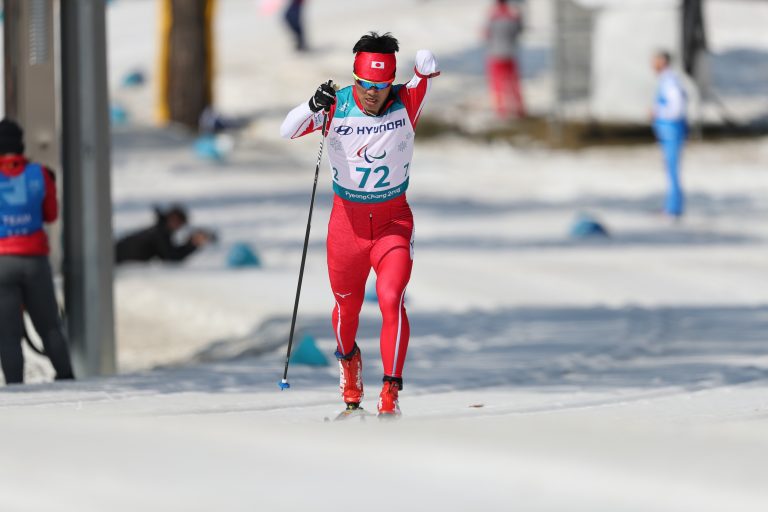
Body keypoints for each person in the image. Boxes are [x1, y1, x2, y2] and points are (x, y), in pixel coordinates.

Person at [280, 32, 440, 417]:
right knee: (346, 310)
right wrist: (312, 104)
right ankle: (349, 363)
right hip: (346, 227)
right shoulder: (336, 105)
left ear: (390, 84)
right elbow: (288, 129)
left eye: (381, 87)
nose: (372, 94)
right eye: (366, 84)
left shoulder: (406, 102)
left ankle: (390, 390)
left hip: (392, 222)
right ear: (355, 78)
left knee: (391, 298)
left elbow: (424, 72)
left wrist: (425, 66)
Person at [0, 118, 75, 384]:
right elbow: (51, 215)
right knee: (50, 326)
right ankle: (66, 377)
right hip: (34, 260)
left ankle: (15, 387)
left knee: (7, 334)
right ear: (20, 145)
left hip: (2, 262)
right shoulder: (40, 174)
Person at [651, 50, 688, 219]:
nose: (652, 65)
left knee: (673, 170)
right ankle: (670, 206)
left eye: (655, 61)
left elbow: (676, 108)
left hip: (672, 130)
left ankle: (674, 209)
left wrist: (658, 112)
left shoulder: (670, 81)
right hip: (668, 131)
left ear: (662, 62)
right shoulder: (665, 80)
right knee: (669, 170)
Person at [115, 204, 214, 264]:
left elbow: (169, 254)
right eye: (179, 223)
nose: (178, 228)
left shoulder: (159, 230)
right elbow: (171, 257)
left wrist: (191, 244)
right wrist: (192, 244)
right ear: (172, 218)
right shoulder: (159, 233)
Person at [485, 0, 525, 119]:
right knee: (514, 84)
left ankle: (501, 111)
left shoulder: (493, 16)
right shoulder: (512, 16)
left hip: (495, 56)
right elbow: (519, 31)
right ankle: (519, 109)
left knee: (497, 84)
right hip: (510, 54)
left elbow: (486, 34)